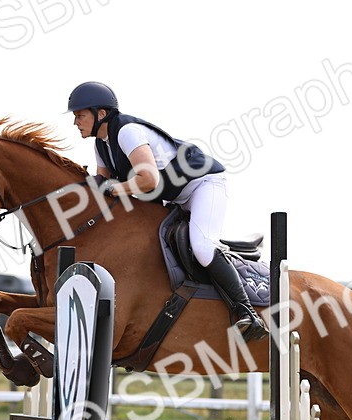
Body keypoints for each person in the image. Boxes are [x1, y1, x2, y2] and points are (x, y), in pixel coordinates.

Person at [67, 81, 269, 342]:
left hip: (203, 184)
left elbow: (148, 180)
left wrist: (113, 189)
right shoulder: (101, 145)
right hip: (173, 195)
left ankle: (247, 313)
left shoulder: (127, 132)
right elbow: (101, 186)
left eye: (80, 115)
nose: (76, 122)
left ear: (101, 114)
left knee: (202, 247)